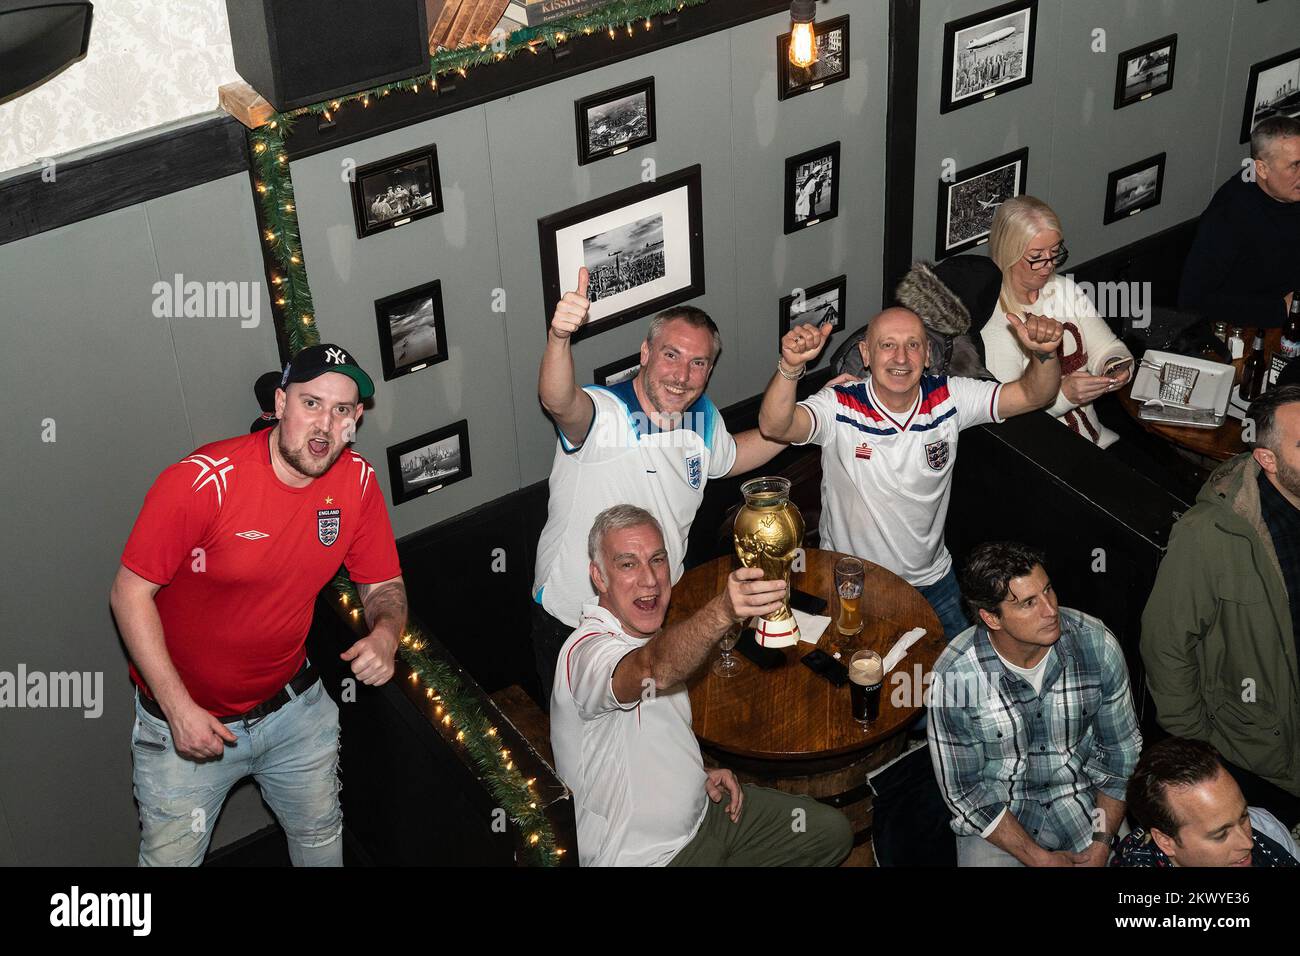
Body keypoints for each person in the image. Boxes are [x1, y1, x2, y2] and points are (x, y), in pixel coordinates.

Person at [109, 344, 406, 866]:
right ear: (280, 403)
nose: (324, 425)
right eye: (311, 403)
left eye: (341, 410)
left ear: (357, 418)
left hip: (294, 713)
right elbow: (129, 593)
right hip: (185, 728)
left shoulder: (356, 483)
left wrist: (385, 633)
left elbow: (383, 584)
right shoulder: (202, 481)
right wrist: (179, 710)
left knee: (320, 841)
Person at [531, 269, 785, 702]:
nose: (682, 374)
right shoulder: (604, 413)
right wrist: (558, 337)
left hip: (657, 607)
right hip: (575, 619)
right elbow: (559, 400)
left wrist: (807, 420)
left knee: (654, 737)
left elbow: (736, 455)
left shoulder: (703, 418)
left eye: (698, 363)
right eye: (671, 355)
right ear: (645, 352)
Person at [550, 504, 853, 866]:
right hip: (650, 860)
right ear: (599, 577)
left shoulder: (653, 634)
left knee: (829, 833)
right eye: (627, 564)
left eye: (657, 560)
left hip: (708, 814)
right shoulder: (585, 654)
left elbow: (651, 739)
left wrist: (699, 773)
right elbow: (653, 668)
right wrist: (724, 610)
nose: (649, 579)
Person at [757, 305, 1063, 641]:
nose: (901, 358)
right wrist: (791, 366)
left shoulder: (950, 396)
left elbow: (1035, 394)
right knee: (860, 675)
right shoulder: (839, 405)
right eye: (887, 345)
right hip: (854, 581)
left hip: (935, 581)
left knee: (959, 678)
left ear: (928, 354)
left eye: (912, 345)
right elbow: (775, 426)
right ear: (866, 354)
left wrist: (1044, 355)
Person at [1141, 384, 1300, 828]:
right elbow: (1167, 647)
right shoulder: (1211, 534)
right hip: (1262, 756)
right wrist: (1201, 752)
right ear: (1267, 460)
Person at [927, 542, 1142, 867]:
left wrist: (1101, 843)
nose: (1050, 609)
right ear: (991, 618)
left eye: (1048, 591)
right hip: (1001, 817)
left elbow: (1120, 756)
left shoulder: (1096, 644)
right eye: (1029, 603)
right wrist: (1039, 859)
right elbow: (967, 793)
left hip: (1085, 803)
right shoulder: (954, 677)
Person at [982, 196, 1134, 448]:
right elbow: (1010, 422)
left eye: (1055, 252)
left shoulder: (1064, 289)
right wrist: (1064, 396)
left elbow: (1107, 347)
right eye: (1036, 256)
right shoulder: (997, 322)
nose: (1048, 265)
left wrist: (1114, 367)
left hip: (1097, 439)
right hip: (1045, 457)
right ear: (1009, 252)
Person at [1180, 115, 1300, 329]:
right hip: (1248, 331)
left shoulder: (1290, 193)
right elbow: (1193, 300)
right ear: (1262, 169)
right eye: (1295, 166)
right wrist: (1280, 308)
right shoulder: (1229, 215)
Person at [1114, 736, 1299, 867]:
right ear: (1165, 842)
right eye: (1220, 835)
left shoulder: (1266, 825)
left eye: (1243, 817)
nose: (1247, 842)